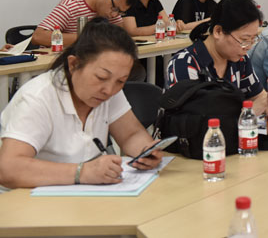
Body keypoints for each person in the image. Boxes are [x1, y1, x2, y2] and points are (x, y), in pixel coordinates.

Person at [0, 18, 164, 189]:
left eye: (121, 81)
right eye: (101, 77)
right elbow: (8, 169)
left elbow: (131, 134)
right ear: (73, 64)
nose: (109, 90)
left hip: (78, 194)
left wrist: (145, 152)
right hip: (26, 196)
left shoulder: (110, 90)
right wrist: (82, 172)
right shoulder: (38, 98)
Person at [166, 0, 266, 114]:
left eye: (253, 39)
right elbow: (195, 119)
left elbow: (259, 97)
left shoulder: (240, 59)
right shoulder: (185, 63)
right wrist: (249, 113)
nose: (248, 47)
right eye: (244, 40)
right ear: (218, 31)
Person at [31, 0, 139, 48]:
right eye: (115, 9)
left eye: (120, 12)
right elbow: (38, 37)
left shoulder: (107, 0)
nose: (114, 15)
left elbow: (117, 33)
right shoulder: (71, 5)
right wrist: (89, 38)